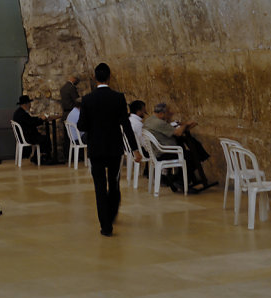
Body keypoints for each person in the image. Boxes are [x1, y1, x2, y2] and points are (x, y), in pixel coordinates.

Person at [77, 63, 141, 237]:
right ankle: (111, 214)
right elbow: (126, 125)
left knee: (99, 186)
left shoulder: (87, 99)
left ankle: (106, 226)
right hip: (114, 148)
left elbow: (81, 125)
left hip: (96, 148)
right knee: (114, 182)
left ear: (94, 78)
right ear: (109, 77)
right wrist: (135, 149)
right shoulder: (118, 98)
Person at [143, 102, 211, 190]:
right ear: (161, 113)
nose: (170, 114)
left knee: (192, 152)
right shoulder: (159, 123)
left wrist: (181, 125)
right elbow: (178, 133)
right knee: (193, 156)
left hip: (156, 152)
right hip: (164, 152)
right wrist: (185, 125)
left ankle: (180, 178)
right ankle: (181, 181)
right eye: (168, 113)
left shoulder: (149, 120)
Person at [12, 95, 53, 162]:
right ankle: (40, 158)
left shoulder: (19, 112)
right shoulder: (22, 114)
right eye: (29, 103)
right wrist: (41, 119)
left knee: (43, 138)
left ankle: (38, 157)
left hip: (23, 136)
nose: (30, 105)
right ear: (26, 104)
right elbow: (32, 123)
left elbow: (30, 120)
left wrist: (38, 118)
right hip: (27, 137)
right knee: (45, 139)